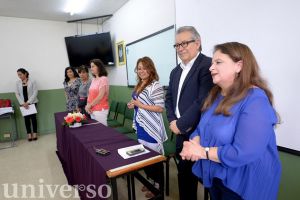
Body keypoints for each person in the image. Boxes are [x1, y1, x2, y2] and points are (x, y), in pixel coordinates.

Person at [180, 42, 281, 200]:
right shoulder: (215, 95)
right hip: (217, 178)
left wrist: (202, 152)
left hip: (244, 185)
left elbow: (242, 152)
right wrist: (195, 143)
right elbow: (200, 128)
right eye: (212, 63)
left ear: (239, 66)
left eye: (218, 62)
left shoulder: (255, 100)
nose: (211, 68)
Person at [165, 26, 214, 199]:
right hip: (179, 130)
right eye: (177, 45)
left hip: (199, 132)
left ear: (198, 43)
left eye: (185, 43)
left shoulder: (207, 65)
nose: (180, 48)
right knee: (184, 174)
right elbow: (169, 98)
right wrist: (173, 122)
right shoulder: (175, 71)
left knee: (205, 176)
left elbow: (203, 100)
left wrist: (181, 124)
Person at [127, 56, 168, 198]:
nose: (142, 71)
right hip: (141, 125)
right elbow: (138, 102)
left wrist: (140, 105)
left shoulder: (155, 85)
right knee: (145, 157)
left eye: (145, 68)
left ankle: (157, 188)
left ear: (151, 69)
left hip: (152, 128)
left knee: (154, 160)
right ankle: (150, 181)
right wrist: (132, 104)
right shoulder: (139, 84)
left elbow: (159, 108)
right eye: (139, 68)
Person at [15, 68, 38, 141]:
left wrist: (28, 102)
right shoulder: (17, 83)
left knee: (33, 118)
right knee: (26, 119)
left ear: (25, 74)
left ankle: (34, 133)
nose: (19, 76)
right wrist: (22, 103)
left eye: (20, 74)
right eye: (18, 75)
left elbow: (35, 92)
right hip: (22, 104)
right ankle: (29, 134)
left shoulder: (32, 81)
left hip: (32, 102)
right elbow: (17, 94)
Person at [85, 59, 109, 125]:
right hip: (92, 109)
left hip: (100, 110)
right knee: (96, 131)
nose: (91, 68)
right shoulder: (93, 80)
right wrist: (87, 105)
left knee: (102, 131)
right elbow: (90, 94)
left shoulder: (103, 79)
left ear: (99, 67)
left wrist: (90, 105)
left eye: (93, 66)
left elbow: (100, 96)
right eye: (91, 67)